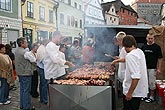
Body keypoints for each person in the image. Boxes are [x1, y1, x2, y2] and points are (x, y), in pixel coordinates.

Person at [122, 35, 148, 110]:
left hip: (133, 92)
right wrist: (117, 60)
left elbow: (136, 77)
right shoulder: (139, 52)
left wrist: (129, 93)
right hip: (139, 90)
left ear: (124, 45)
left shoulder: (130, 56)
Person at [141, 32, 163, 103]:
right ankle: (145, 95)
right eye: (149, 38)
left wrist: (159, 68)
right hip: (144, 68)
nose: (150, 40)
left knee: (152, 83)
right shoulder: (143, 47)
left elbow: (160, 58)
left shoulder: (157, 47)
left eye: (151, 38)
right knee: (144, 82)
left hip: (152, 68)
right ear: (146, 38)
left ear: (154, 39)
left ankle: (152, 97)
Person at [15, 37, 34, 110]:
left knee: (23, 90)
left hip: (20, 73)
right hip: (26, 73)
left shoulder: (17, 50)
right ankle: (26, 107)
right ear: (21, 44)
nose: (27, 43)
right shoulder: (25, 52)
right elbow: (33, 60)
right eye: (26, 42)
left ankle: (22, 106)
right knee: (26, 91)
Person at [110, 31, 127, 97]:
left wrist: (116, 60)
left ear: (121, 40)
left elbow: (126, 59)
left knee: (125, 89)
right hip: (122, 70)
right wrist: (118, 58)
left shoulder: (125, 48)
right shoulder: (121, 48)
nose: (117, 41)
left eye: (117, 40)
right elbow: (122, 57)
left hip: (125, 70)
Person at [36, 39, 49, 104]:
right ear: (45, 43)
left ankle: (42, 99)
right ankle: (45, 100)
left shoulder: (40, 48)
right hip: (43, 69)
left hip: (40, 68)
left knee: (42, 84)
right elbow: (44, 61)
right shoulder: (43, 49)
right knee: (44, 85)